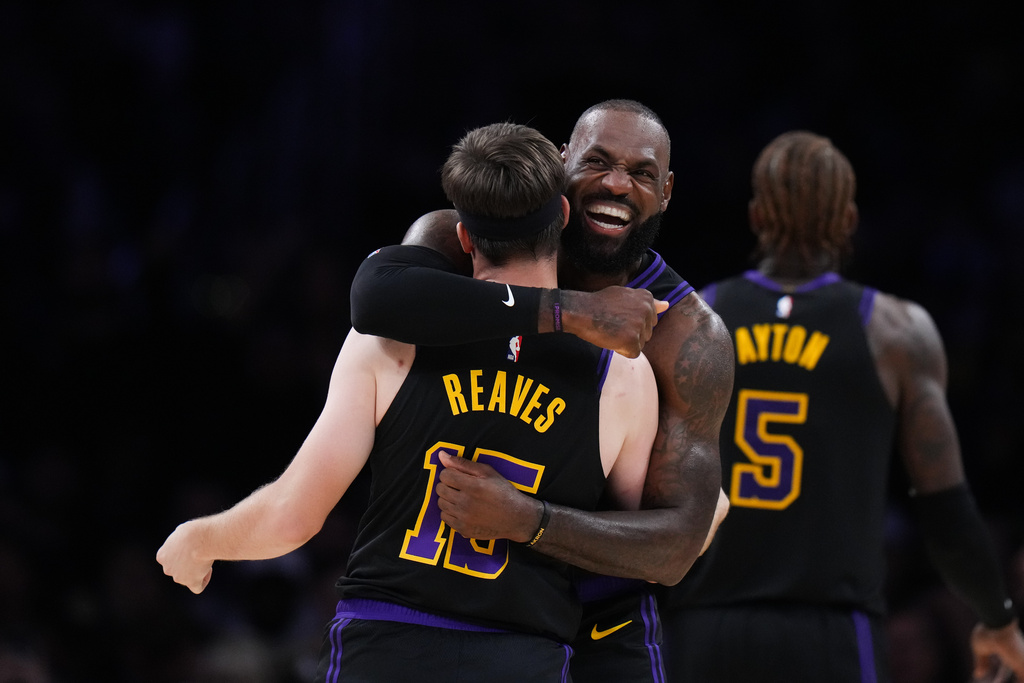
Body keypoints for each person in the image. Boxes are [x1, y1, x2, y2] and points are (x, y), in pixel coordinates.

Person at [156, 122, 661, 682]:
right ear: (564, 216)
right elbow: (623, 554)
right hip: (524, 654)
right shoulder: (624, 374)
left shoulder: (389, 341)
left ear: (463, 236)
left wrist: (201, 540)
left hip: (385, 647)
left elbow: (291, 519)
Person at [347, 99, 735, 681]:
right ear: (561, 161)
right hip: (469, 600)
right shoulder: (470, 235)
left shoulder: (686, 335)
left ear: (667, 192)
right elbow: (375, 299)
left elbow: (676, 547)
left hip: (602, 616)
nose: (616, 184)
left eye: (641, 172)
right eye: (597, 161)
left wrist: (530, 520)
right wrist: (570, 311)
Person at [657, 130, 1024, 682]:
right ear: (849, 221)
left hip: (706, 629)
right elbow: (946, 512)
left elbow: (648, 488)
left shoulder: (694, 319)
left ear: (756, 216)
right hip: (830, 633)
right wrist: (997, 616)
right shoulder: (895, 332)